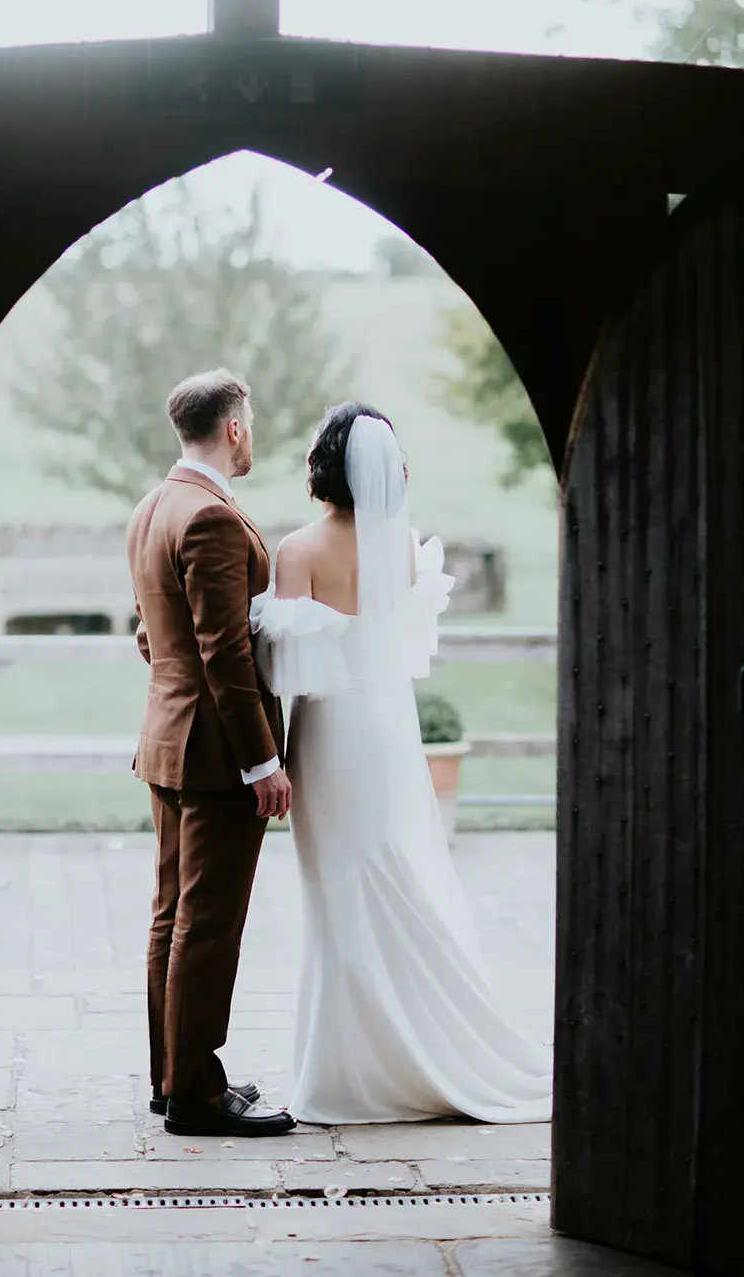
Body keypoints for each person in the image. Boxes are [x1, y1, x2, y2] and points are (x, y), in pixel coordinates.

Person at [250, 402, 553, 1125]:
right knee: (392, 871)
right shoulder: (407, 548)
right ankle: (412, 1046)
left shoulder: (299, 550)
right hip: (388, 731)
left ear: (323, 464)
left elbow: (284, 667)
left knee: (339, 894)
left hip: (329, 733)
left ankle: (351, 1074)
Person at [126, 368, 297, 1138]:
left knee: (173, 916)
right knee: (208, 922)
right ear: (233, 428)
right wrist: (262, 763)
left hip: (166, 741)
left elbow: (149, 633)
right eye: (250, 423)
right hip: (216, 755)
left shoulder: (152, 507)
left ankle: (174, 1076)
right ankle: (194, 1096)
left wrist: (177, 689)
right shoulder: (211, 518)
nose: (251, 435)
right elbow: (225, 651)